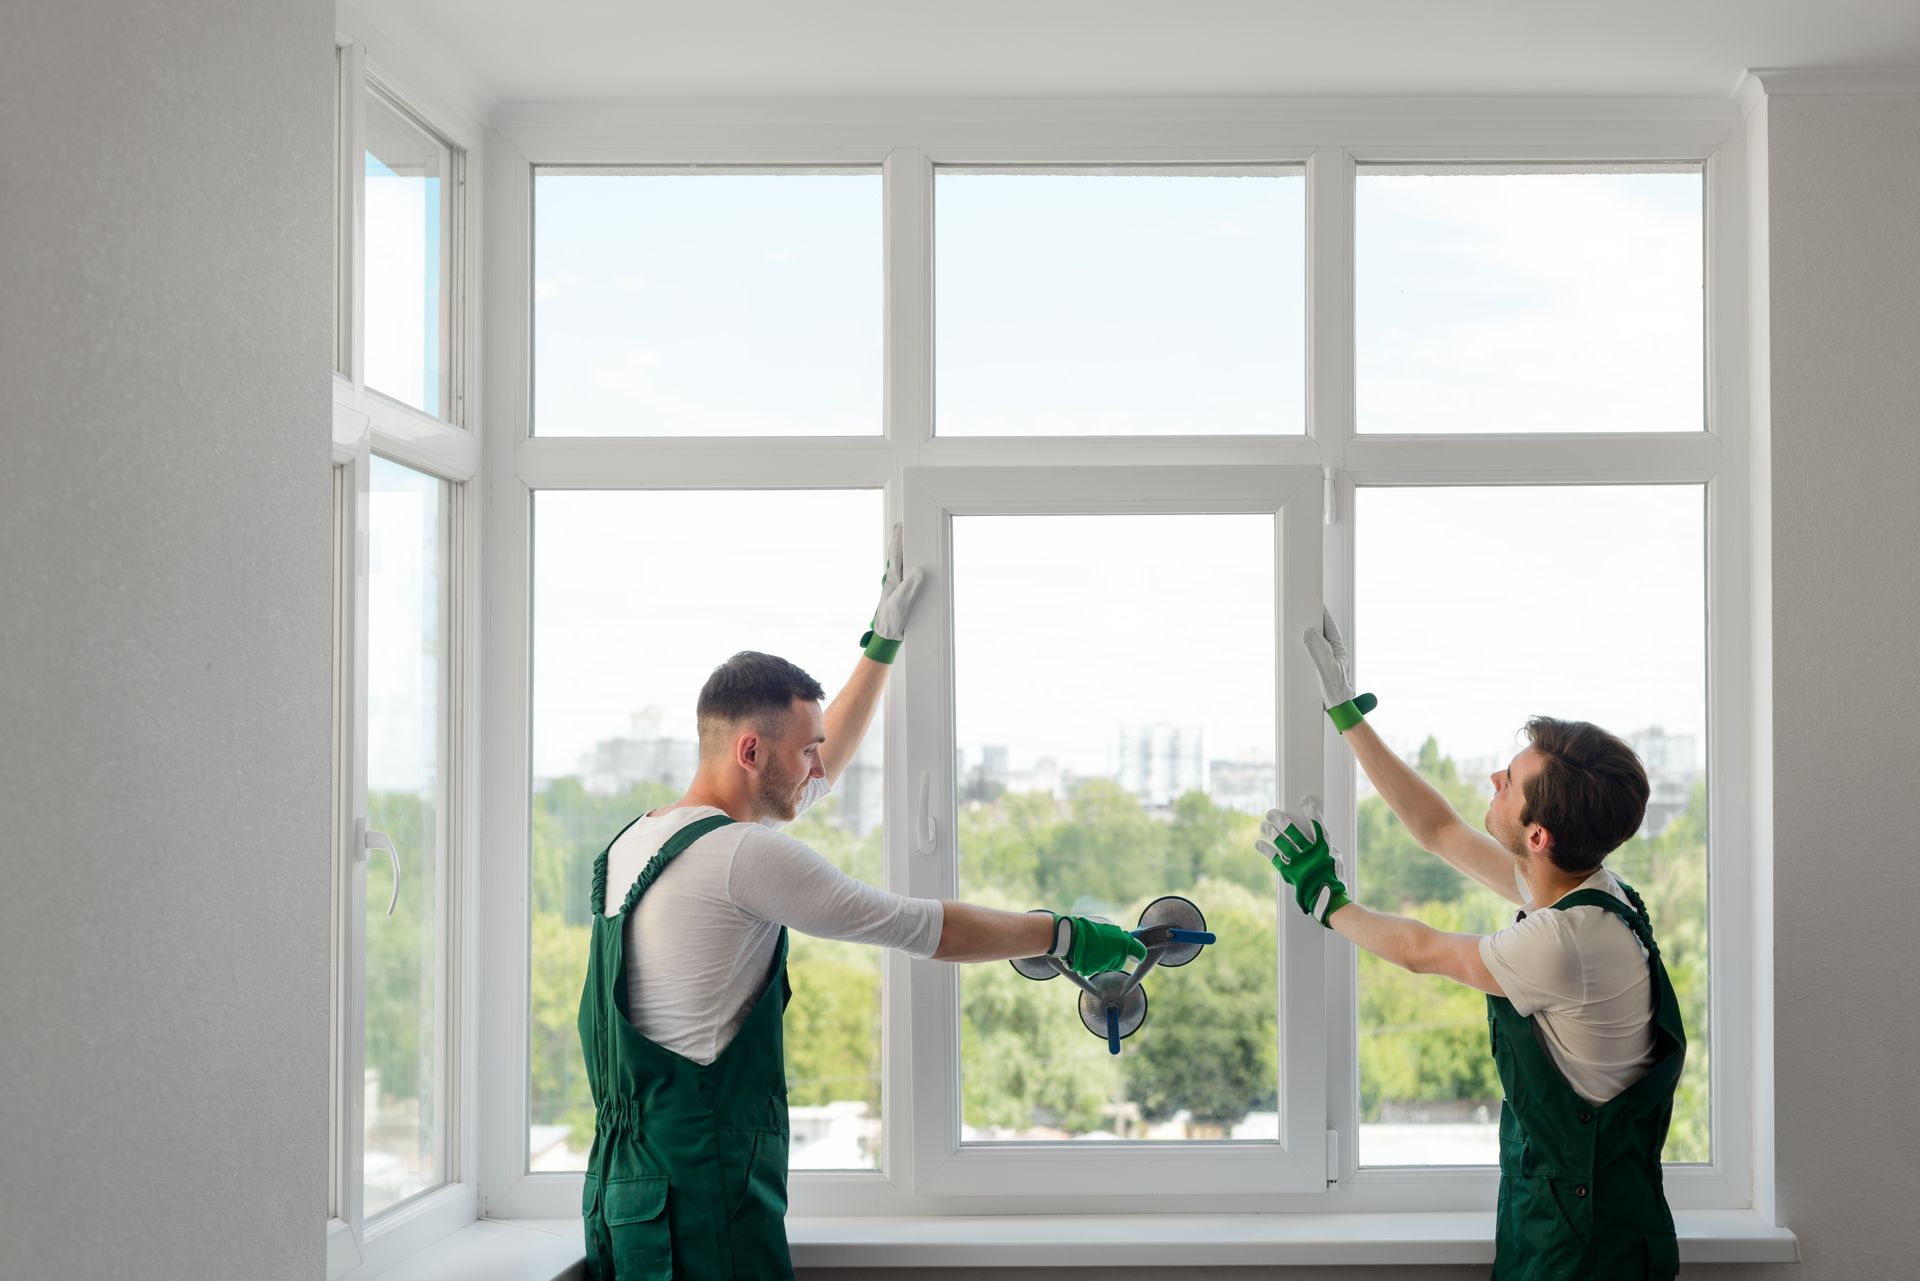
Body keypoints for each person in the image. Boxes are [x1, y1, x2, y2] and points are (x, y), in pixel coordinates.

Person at [577, 526, 1144, 1281]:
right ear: (751, 751)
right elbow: (923, 927)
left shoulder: (635, 845)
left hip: (624, 1201)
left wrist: (881, 645)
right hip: (704, 1209)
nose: (819, 766)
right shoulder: (745, 857)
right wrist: (1065, 933)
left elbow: (805, 779)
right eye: (805, 747)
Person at [1257, 612, 1685, 1281]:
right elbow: (1440, 830)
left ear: (1537, 834)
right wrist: (1346, 714)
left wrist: (1325, 900)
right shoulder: (1591, 886)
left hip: (1582, 1253)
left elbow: (1421, 949)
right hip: (1575, 1221)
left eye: (1509, 782)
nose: (1493, 778)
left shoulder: (1562, 943)